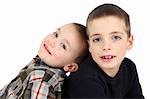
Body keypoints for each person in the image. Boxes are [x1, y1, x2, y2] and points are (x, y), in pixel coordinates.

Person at [62, 3, 144, 98]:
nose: (106, 46)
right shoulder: (85, 78)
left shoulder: (129, 67)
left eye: (115, 37)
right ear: (90, 46)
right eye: (97, 39)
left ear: (129, 42)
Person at [0, 22, 88, 99]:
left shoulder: (43, 81)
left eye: (63, 46)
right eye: (56, 34)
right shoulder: (44, 62)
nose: (53, 41)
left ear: (70, 66)